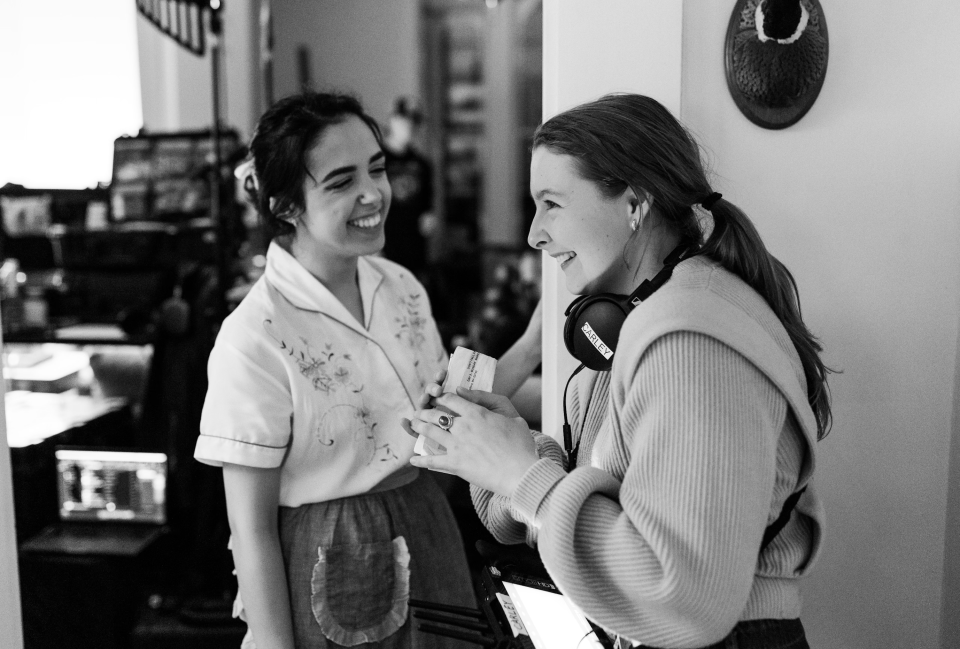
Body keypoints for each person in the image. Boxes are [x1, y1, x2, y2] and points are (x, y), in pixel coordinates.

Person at [405, 93, 832, 649]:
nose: (535, 234)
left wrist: (520, 477)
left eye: (552, 204)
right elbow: (599, 506)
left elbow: (686, 597)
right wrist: (502, 453)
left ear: (634, 202)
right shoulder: (637, 322)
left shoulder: (690, 341)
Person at [194, 91, 541, 649]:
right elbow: (251, 531)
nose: (372, 194)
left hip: (428, 522)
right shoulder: (254, 335)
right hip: (330, 553)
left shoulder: (399, 284)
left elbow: (442, 421)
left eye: (376, 169)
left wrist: (531, 345)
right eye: (339, 181)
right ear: (285, 205)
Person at [380, 96, 436, 282]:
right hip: (382, 248)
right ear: (392, 120)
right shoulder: (376, 161)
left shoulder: (422, 165)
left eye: (415, 122)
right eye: (404, 120)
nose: (410, 127)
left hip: (414, 253)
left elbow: (427, 212)